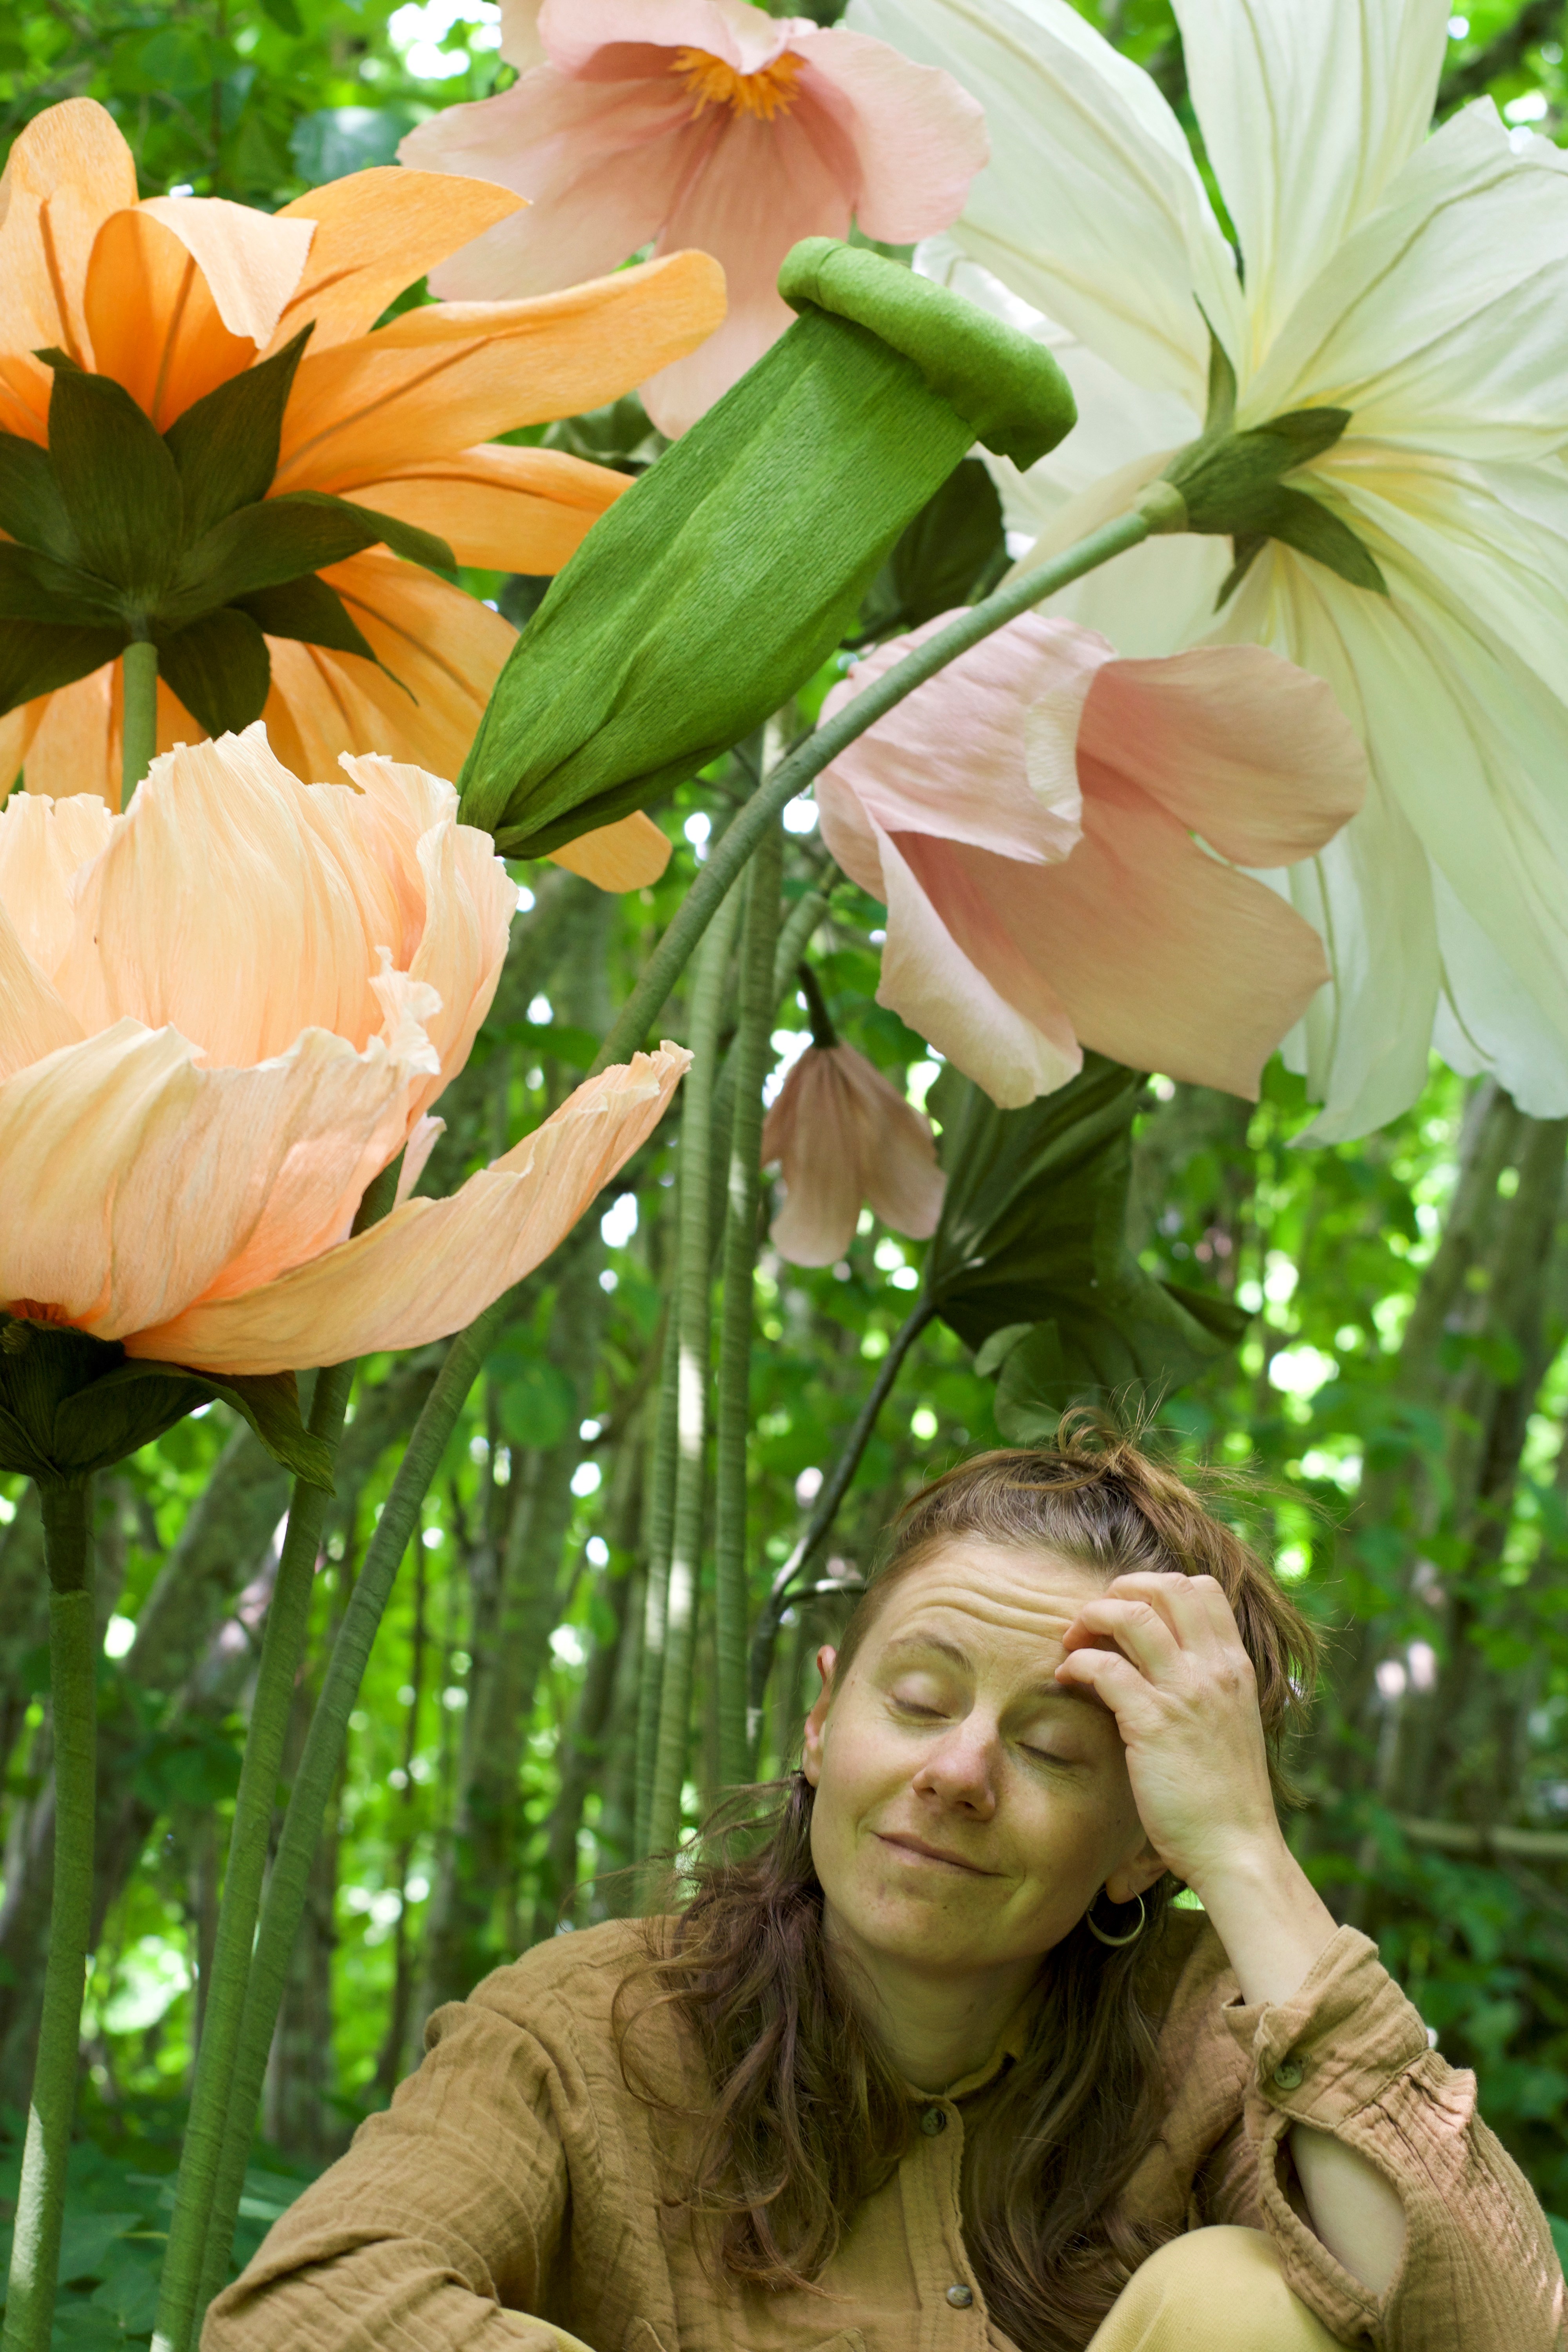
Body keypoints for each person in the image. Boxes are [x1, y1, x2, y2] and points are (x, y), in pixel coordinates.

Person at [204, 1426, 1564, 2352]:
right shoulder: (588, 2031)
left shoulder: (1203, 2040)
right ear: (819, 1729)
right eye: (917, 1701)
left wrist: (1250, 1861)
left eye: (1050, 1750)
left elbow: (1491, 2329)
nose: (960, 1772)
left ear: (1147, 1838)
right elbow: (303, 2316)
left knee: (1242, 2301)